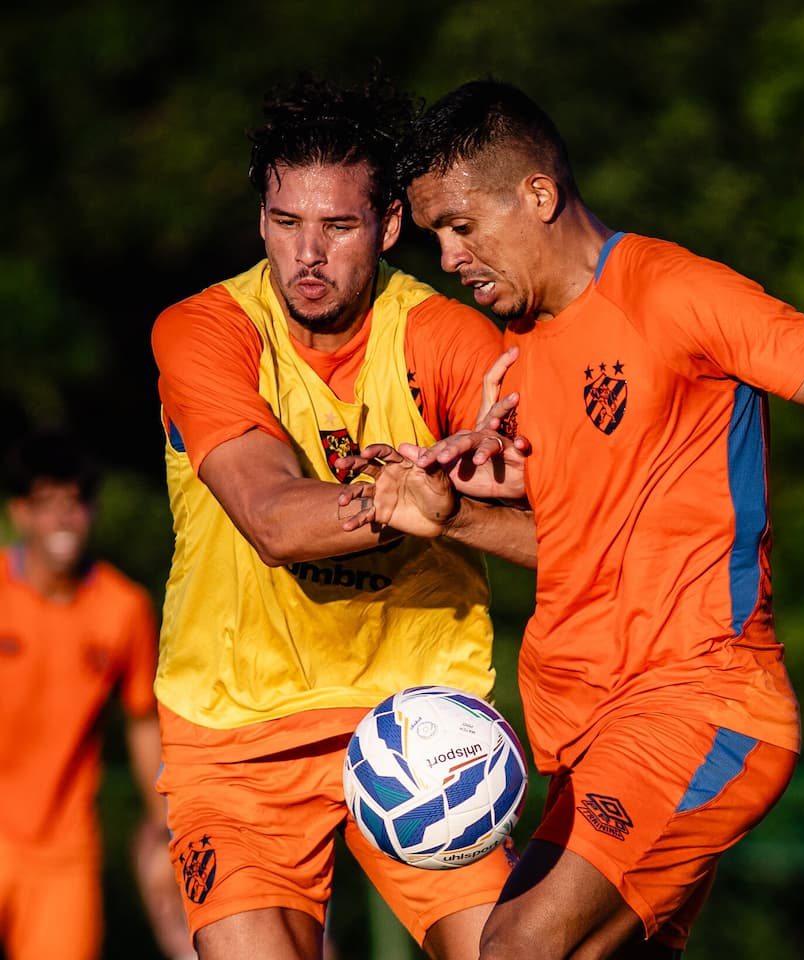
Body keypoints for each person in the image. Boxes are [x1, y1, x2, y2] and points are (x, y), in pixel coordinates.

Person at [342, 79, 804, 960]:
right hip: (586, 731)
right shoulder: (519, 359)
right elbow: (581, 548)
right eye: (436, 235)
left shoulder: (670, 291)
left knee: (514, 946)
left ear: (539, 194)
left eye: (460, 226)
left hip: (701, 705)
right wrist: (452, 516)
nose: (448, 257)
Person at [149, 70, 532, 960]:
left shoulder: (445, 339)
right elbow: (275, 520)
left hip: (417, 724)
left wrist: (464, 513)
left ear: (390, 227)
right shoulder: (205, 331)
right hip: (236, 727)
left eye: (338, 226)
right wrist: (408, 499)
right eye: (286, 224)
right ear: (262, 225)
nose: (306, 255)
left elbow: (572, 531)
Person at [0, 427, 194, 960]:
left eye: (75, 503)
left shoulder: (122, 607)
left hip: (63, 849)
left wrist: (163, 822)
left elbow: (141, 720)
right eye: (46, 504)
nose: (63, 517)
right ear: (20, 513)